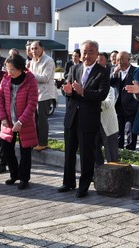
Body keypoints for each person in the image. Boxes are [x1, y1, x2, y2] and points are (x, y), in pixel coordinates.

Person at [58, 40, 109, 198]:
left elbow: (102, 94)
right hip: (72, 117)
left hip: (88, 119)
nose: (86, 56)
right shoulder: (74, 68)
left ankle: (84, 186)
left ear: (97, 53)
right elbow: (70, 92)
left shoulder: (102, 72)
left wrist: (83, 92)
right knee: (69, 152)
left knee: (87, 154)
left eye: (90, 52)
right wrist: (67, 91)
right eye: (84, 52)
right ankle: (68, 182)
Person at [0, 54, 38, 190]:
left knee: (25, 152)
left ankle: (24, 178)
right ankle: (14, 174)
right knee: (6, 149)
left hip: (24, 122)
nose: (9, 72)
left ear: (20, 68)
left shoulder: (30, 80)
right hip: (8, 121)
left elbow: (32, 103)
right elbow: (0, 99)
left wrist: (21, 121)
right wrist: (3, 117)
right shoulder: (5, 79)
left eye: (12, 70)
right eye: (8, 69)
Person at [29, 40, 56, 151]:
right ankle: (36, 141)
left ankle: (43, 142)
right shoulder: (32, 61)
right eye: (32, 49)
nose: (34, 51)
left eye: (36, 48)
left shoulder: (49, 60)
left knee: (42, 119)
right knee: (34, 119)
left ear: (42, 49)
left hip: (45, 94)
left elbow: (45, 78)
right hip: (35, 94)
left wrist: (30, 75)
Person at [110, 51, 139, 150]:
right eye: (118, 59)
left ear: (128, 59)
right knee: (118, 131)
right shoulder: (115, 71)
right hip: (118, 107)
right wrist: (114, 73)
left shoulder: (135, 71)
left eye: (122, 59)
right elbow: (108, 83)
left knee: (130, 131)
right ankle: (119, 152)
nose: (119, 62)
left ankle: (130, 151)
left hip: (131, 106)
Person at [94, 86, 119, 166]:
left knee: (111, 156)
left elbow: (109, 104)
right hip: (94, 124)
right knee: (95, 153)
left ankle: (114, 176)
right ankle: (98, 174)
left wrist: (93, 99)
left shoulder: (110, 89)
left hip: (109, 126)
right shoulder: (89, 88)